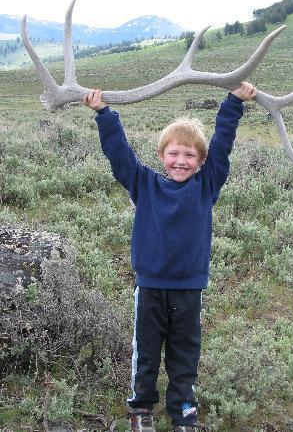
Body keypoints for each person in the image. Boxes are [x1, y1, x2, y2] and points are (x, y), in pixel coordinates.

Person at [83, 82, 256, 432]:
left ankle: (184, 414)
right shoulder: (143, 183)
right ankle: (141, 410)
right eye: (174, 154)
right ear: (162, 156)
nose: (181, 161)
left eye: (190, 155)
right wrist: (104, 115)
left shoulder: (207, 186)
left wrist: (233, 103)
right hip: (149, 288)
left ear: (201, 161)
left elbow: (222, 145)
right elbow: (119, 155)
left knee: (184, 355)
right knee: (145, 353)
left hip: (190, 290)